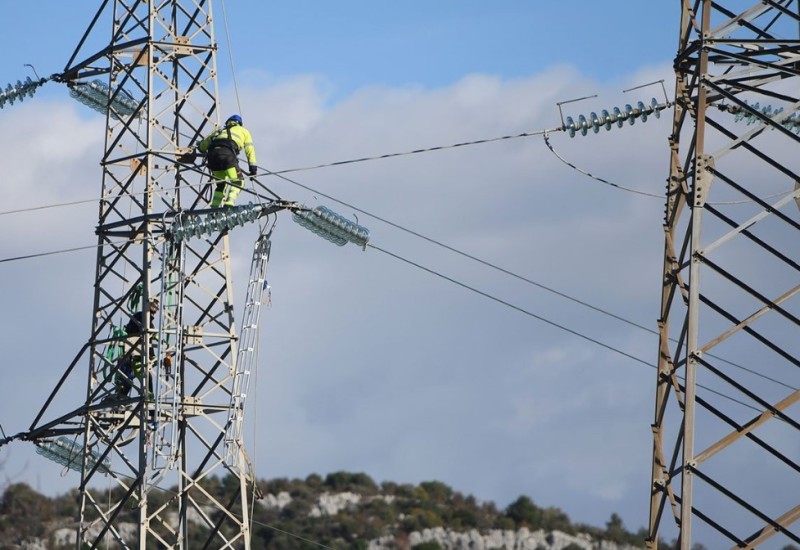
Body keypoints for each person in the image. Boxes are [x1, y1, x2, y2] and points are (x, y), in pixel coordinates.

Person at [109, 298, 166, 399]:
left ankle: (149, 402)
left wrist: (152, 355)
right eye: (153, 307)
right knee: (127, 380)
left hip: (138, 356)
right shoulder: (139, 317)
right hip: (130, 354)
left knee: (145, 379)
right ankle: (121, 401)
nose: (155, 310)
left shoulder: (148, 322)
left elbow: (148, 341)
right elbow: (145, 337)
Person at [197, 114, 258, 208]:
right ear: (239, 124)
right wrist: (253, 168)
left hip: (212, 157)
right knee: (238, 181)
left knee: (221, 185)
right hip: (226, 155)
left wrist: (200, 145)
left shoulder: (220, 131)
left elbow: (202, 147)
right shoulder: (244, 131)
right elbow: (250, 150)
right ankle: (229, 203)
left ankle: (214, 207)